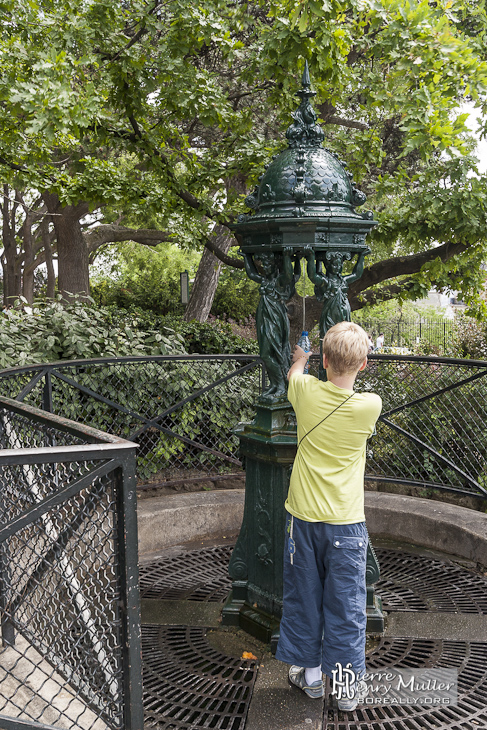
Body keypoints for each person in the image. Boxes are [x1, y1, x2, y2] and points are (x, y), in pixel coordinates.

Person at [275, 321, 382, 710]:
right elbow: (346, 389)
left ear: (324, 360)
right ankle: (348, 690)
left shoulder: (304, 392)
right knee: (346, 607)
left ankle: (312, 678)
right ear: (364, 363)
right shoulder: (369, 406)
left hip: (303, 519)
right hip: (347, 525)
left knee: (305, 599)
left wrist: (302, 358)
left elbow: (294, 375)